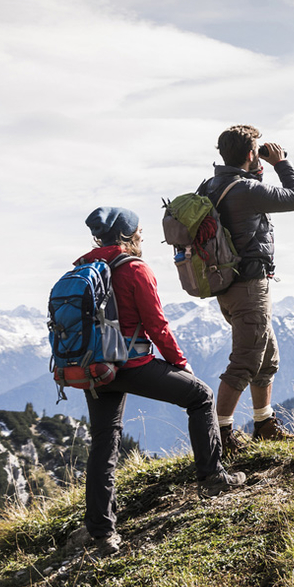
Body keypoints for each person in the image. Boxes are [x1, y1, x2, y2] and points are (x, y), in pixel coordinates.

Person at [72, 207, 245, 555]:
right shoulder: (134, 269)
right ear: (126, 236)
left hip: (96, 369)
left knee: (104, 441)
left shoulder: (82, 268)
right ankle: (212, 478)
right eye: (138, 231)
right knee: (200, 397)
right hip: (133, 364)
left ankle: (101, 531)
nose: (141, 236)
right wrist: (181, 364)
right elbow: (157, 325)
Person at [203, 125, 294, 453]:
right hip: (248, 286)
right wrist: (281, 164)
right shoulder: (244, 189)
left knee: (266, 357)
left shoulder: (211, 185)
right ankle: (220, 436)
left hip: (227, 284)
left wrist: (256, 172)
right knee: (246, 361)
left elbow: (243, 212)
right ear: (250, 154)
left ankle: (263, 424)